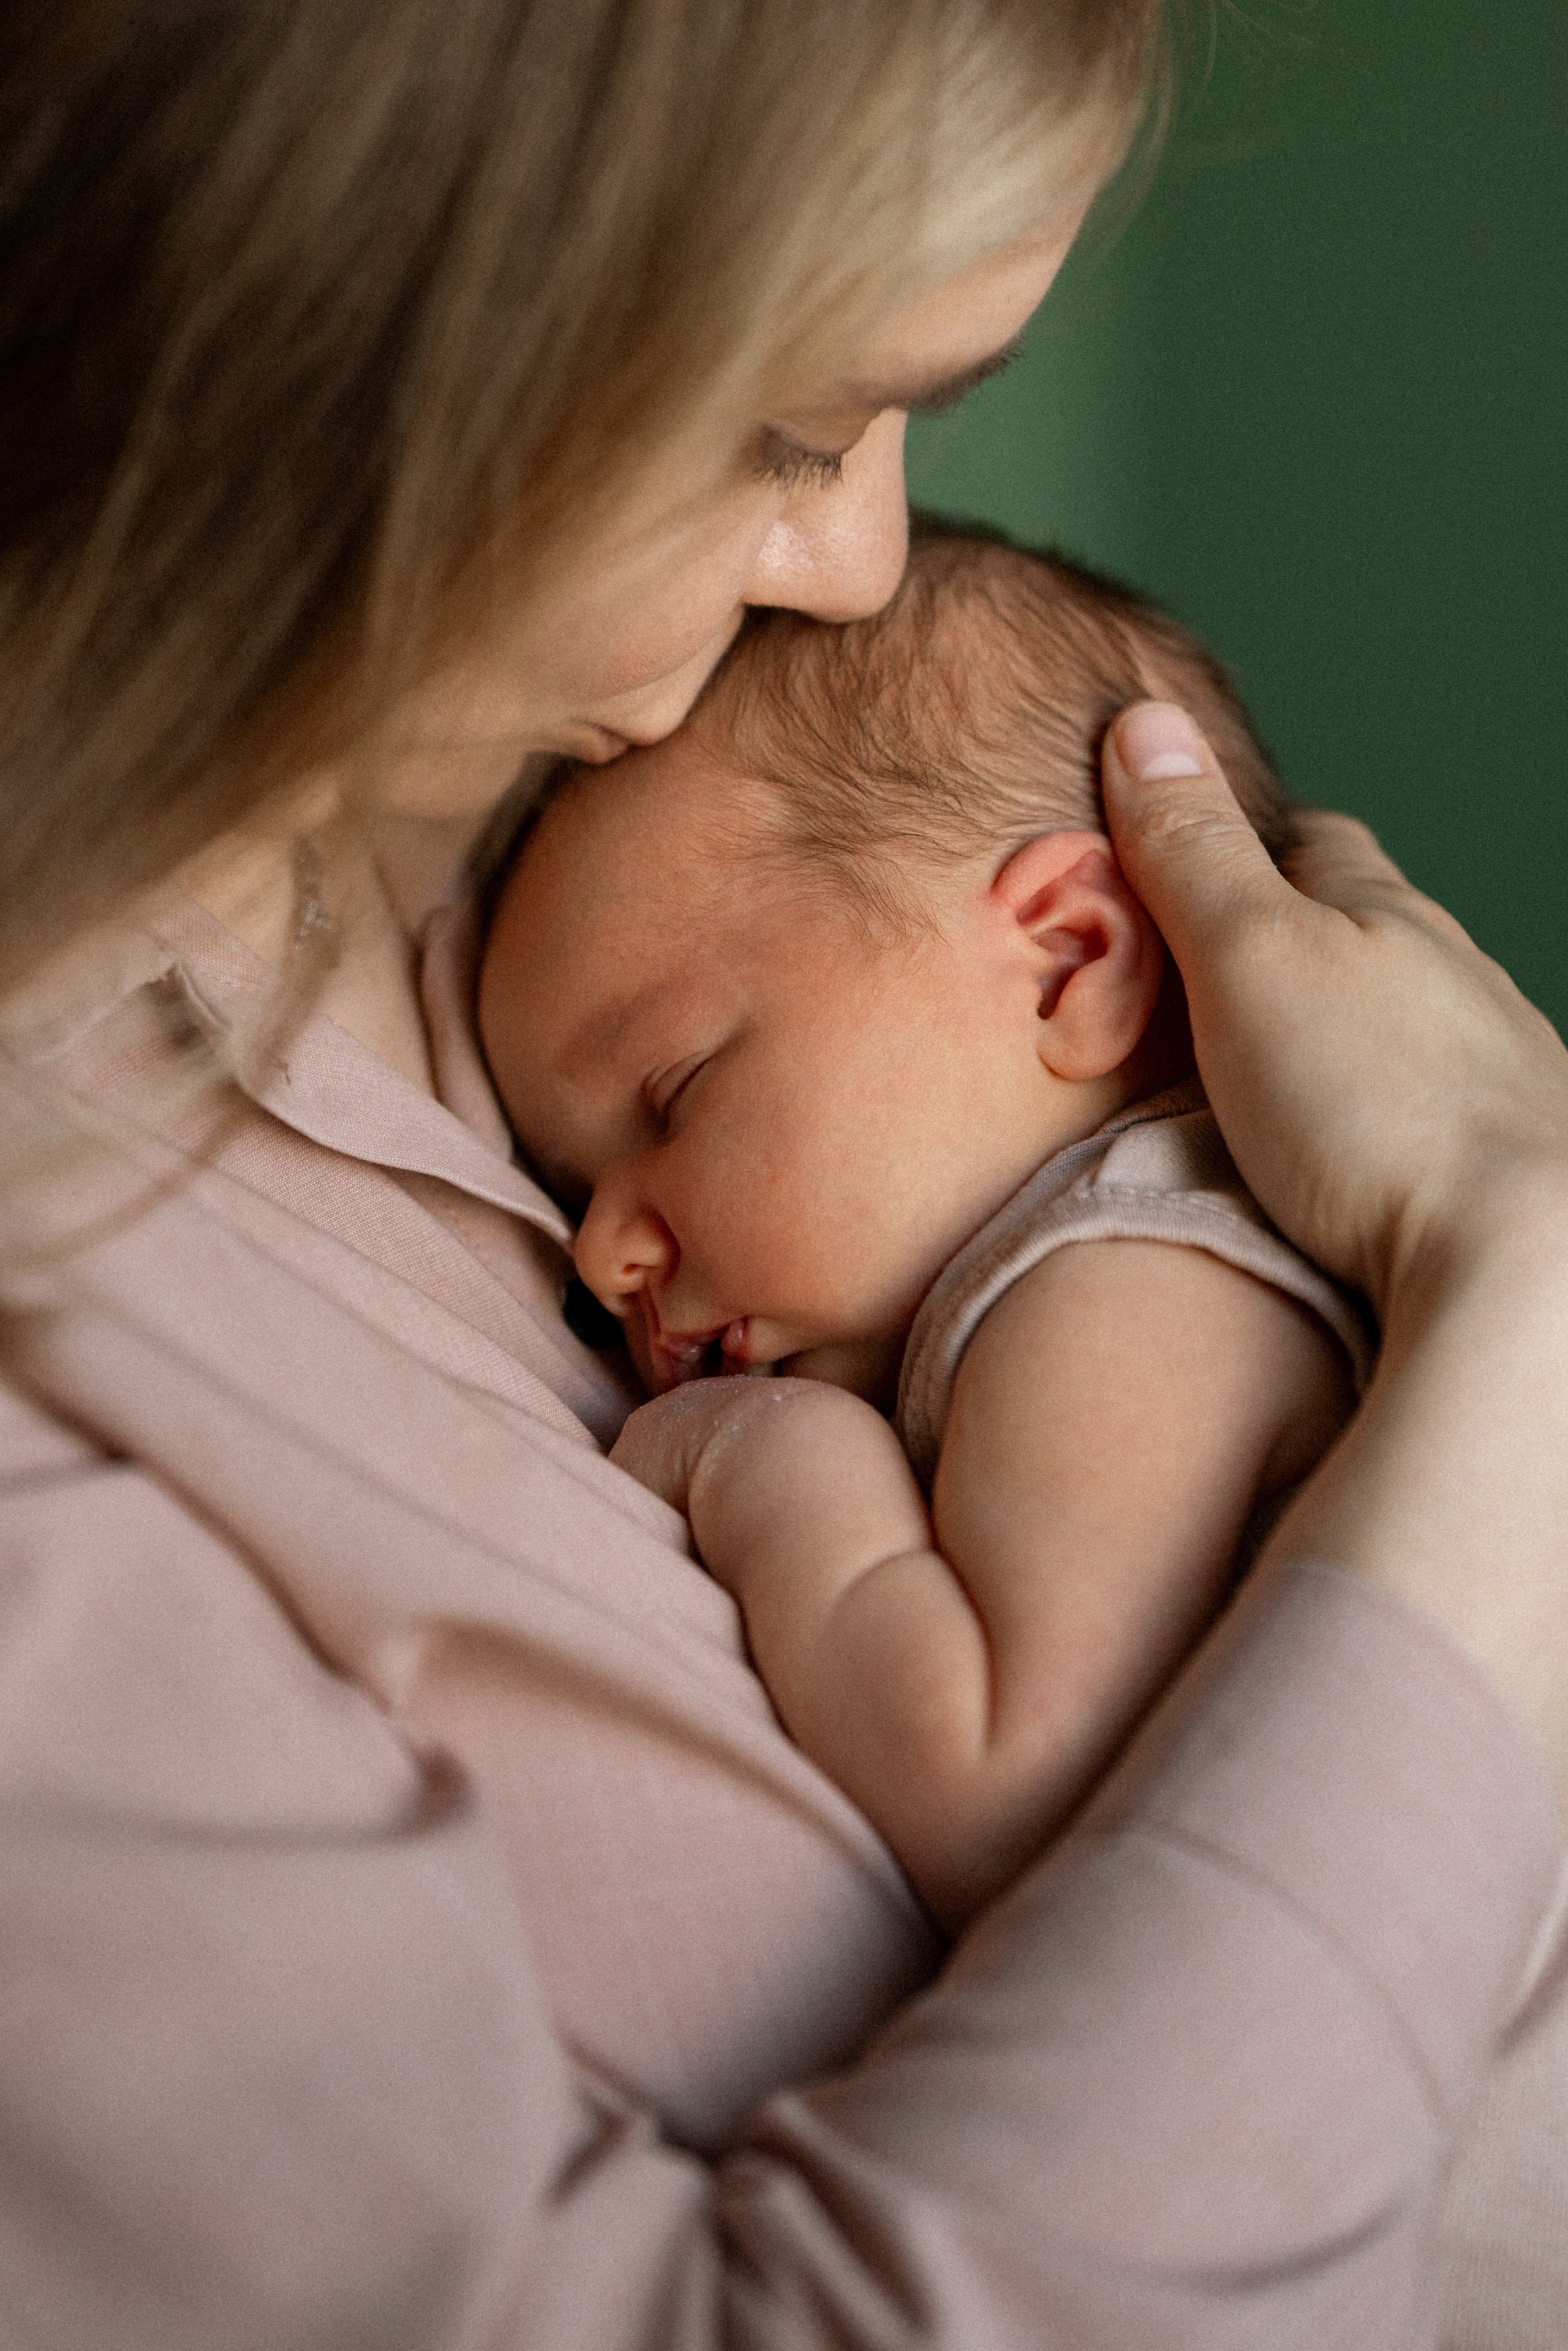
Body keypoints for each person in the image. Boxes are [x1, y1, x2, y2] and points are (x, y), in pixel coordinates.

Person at [1, 4, 1567, 2345]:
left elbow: (1013, 1758)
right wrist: (1527, 1305)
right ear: (349, 297)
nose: (854, 557)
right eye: (785, 421)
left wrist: (782, 1461)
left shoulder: (512, 832)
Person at [477, 530, 1373, 1927]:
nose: (597, 1255)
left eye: (673, 1093)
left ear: (1069, 960)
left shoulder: (1139, 1277)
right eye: (567, 1178)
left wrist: (765, 1460)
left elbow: (997, 1792)